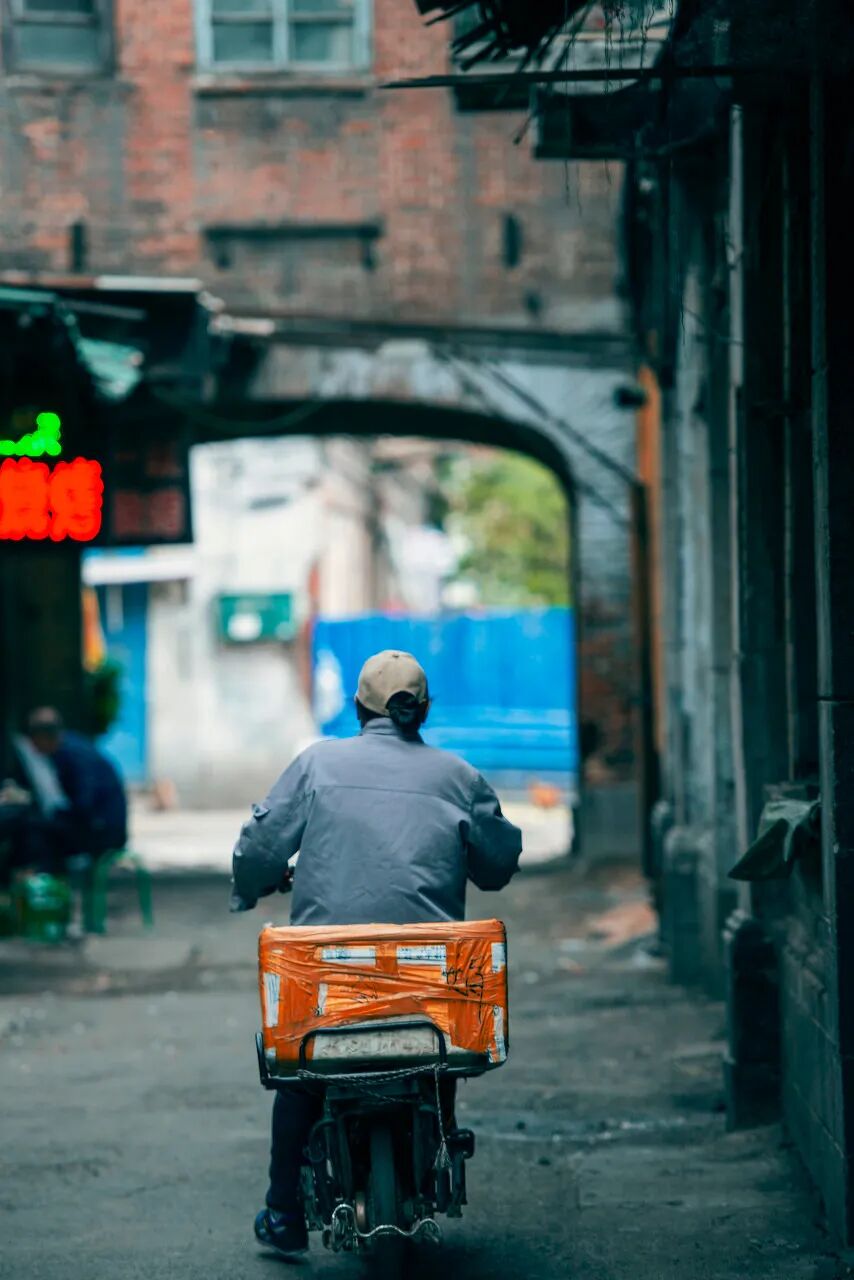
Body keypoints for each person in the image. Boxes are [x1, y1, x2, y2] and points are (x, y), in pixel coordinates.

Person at [231, 649, 522, 1259]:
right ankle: (438, 1143)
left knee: (302, 1079)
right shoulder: (460, 777)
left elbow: (258, 848)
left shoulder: (317, 764)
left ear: (359, 708)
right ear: (424, 710)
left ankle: (284, 1213)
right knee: (439, 1057)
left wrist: (253, 885)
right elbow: (497, 865)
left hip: (326, 982)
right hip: (430, 985)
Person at [18, 708, 128, 873]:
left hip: (105, 831)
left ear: (42, 737)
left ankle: (44, 881)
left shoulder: (74, 755)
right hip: (97, 825)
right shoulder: (68, 747)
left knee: (37, 832)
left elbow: (84, 804)